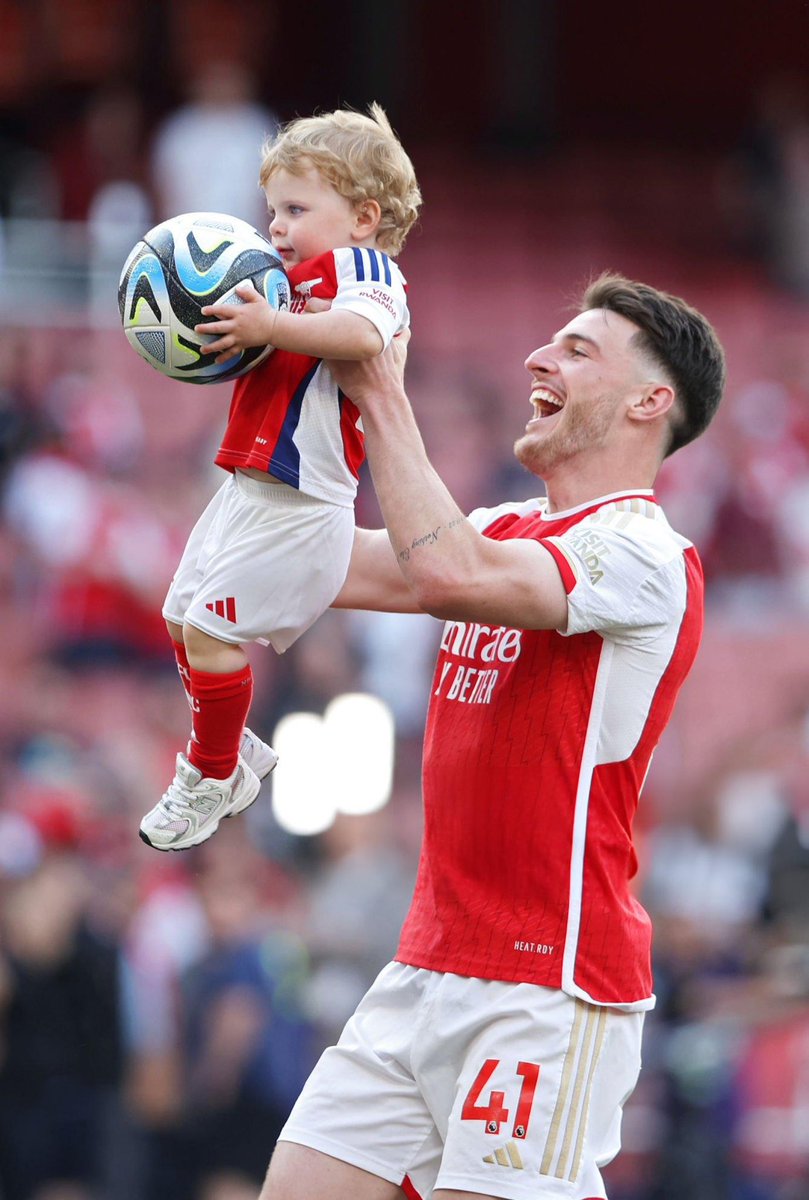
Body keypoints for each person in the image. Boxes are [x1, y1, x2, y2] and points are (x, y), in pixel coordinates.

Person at [259, 274, 727, 1200]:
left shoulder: (645, 555)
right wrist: (268, 421)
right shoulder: (503, 526)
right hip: (425, 964)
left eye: (578, 349)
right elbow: (311, 560)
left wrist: (377, 380)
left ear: (649, 400)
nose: (537, 358)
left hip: (545, 985)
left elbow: (446, 572)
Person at [139, 104, 421, 852]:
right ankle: (235, 752)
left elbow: (364, 331)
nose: (277, 226)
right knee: (178, 615)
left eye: (297, 209)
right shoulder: (285, 281)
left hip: (303, 499)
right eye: (273, 211)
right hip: (249, 483)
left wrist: (271, 327)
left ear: (363, 217)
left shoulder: (363, 271)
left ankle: (210, 772)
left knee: (207, 630)